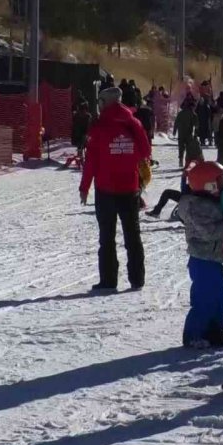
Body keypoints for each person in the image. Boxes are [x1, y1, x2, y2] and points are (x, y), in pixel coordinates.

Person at [80, 87, 153, 292]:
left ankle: (109, 280)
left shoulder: (100, 126)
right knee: (133, 235)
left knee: (107, 237)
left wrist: (84, 187)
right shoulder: (133, 123)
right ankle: (137, 279)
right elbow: (146, 151)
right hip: (129, 188)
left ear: (105, 102)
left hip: (105, 189)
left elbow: (91, 161)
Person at [176, 161, 223, 348]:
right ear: (207, 184)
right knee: (205, 299)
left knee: (222, 296)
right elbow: (209, 232)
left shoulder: (212, 201)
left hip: (214, 260)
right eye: (220, 181)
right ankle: (193, 334)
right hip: (202, 260)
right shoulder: (195, 207)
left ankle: (214, 329)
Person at [174, 98, 201, 166]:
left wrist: (174, 130)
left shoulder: (180, 113)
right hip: (188, 134)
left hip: (181, 133)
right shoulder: (193, 114)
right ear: (192, 107)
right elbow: (197, 125)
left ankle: (180, 160)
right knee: (189, 148)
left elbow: (176, 122)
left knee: (181, 147)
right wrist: (196, 133)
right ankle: (187, 162)